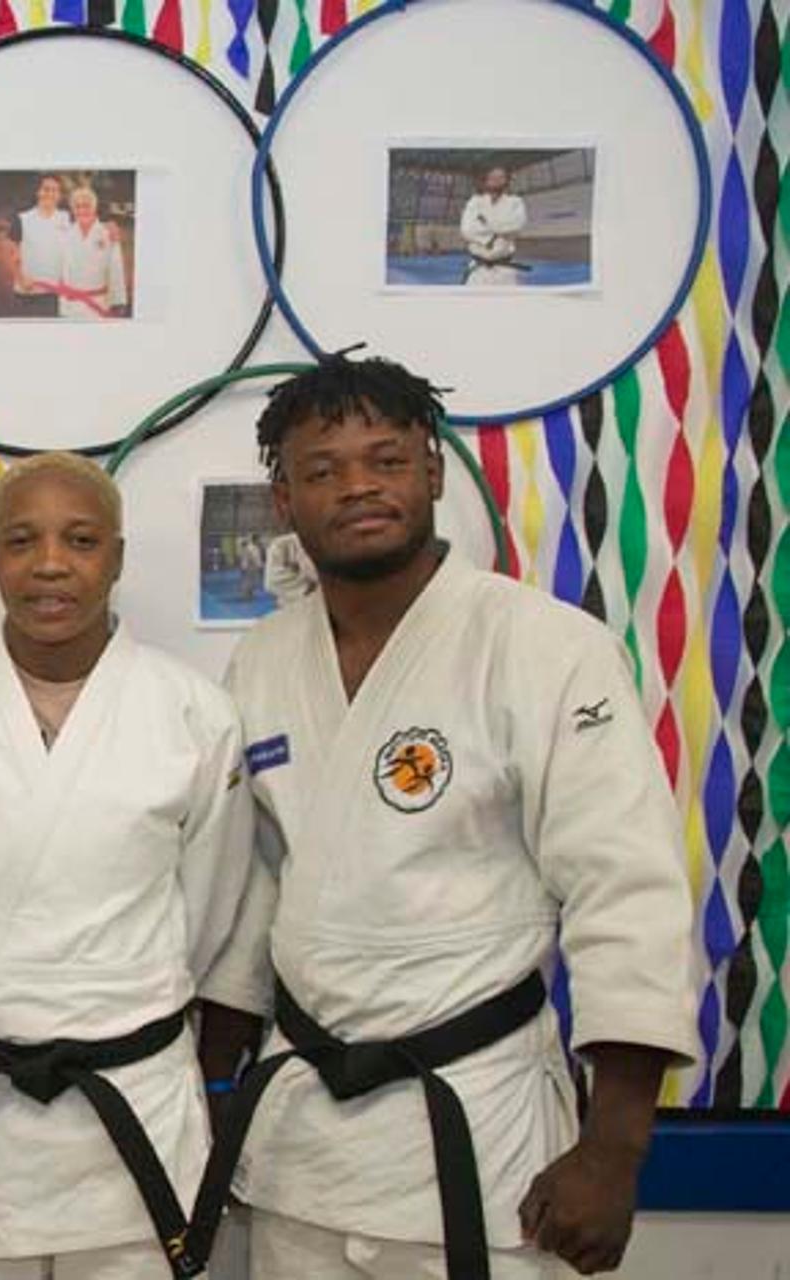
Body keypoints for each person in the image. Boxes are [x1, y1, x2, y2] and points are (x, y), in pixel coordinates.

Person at [188, 355, 696, 1279]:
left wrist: (616, 1149)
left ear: (431, 472)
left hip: (483, 1128)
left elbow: (628, 896)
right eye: (323, 470)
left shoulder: (544, 647)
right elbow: (257, 892)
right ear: (284, 502)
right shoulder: (263, 660)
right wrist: (214, 1091)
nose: (358, 487)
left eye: (385, 460)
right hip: (305, 1147)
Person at [0, 453, 252, 1280]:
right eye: (22, 541)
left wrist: (120, 987)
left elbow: (207, 908)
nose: (51, 563)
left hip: (132, 1095)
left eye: (81, 539)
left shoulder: (194, 714)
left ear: (119, 557)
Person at [55, 186, 129, 320]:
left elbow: (116, 269)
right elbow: (62, 269)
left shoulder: (107, 233)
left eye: (86, 205)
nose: (82, 210)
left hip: (98, 303)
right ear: (72, 209)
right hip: (70, 305)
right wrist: (62, 301)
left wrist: (118, 301)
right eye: (77, 206)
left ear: (94, 207)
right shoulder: (65, 234)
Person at [6, 175, 71, 318]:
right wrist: (20, 279)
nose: (50, 193)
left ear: (59, 195)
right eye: (46, 189)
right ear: (38, 192)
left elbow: (89, 225)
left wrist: (110, 227)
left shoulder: (67, 218)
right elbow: (12, 254)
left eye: (55, 190)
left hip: (58, 291)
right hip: (29, 291)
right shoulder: (22, 218)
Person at [460, 166, 527, 286]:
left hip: (505, 270)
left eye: (500, 177)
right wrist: (490, 239)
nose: (496, 180)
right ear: (486, 180)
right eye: (493, 177)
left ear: (507, 180)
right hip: (478, 270)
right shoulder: (475, 202)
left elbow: (516, 227)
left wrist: (485, 223)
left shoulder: (515, 202)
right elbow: (467, 230)